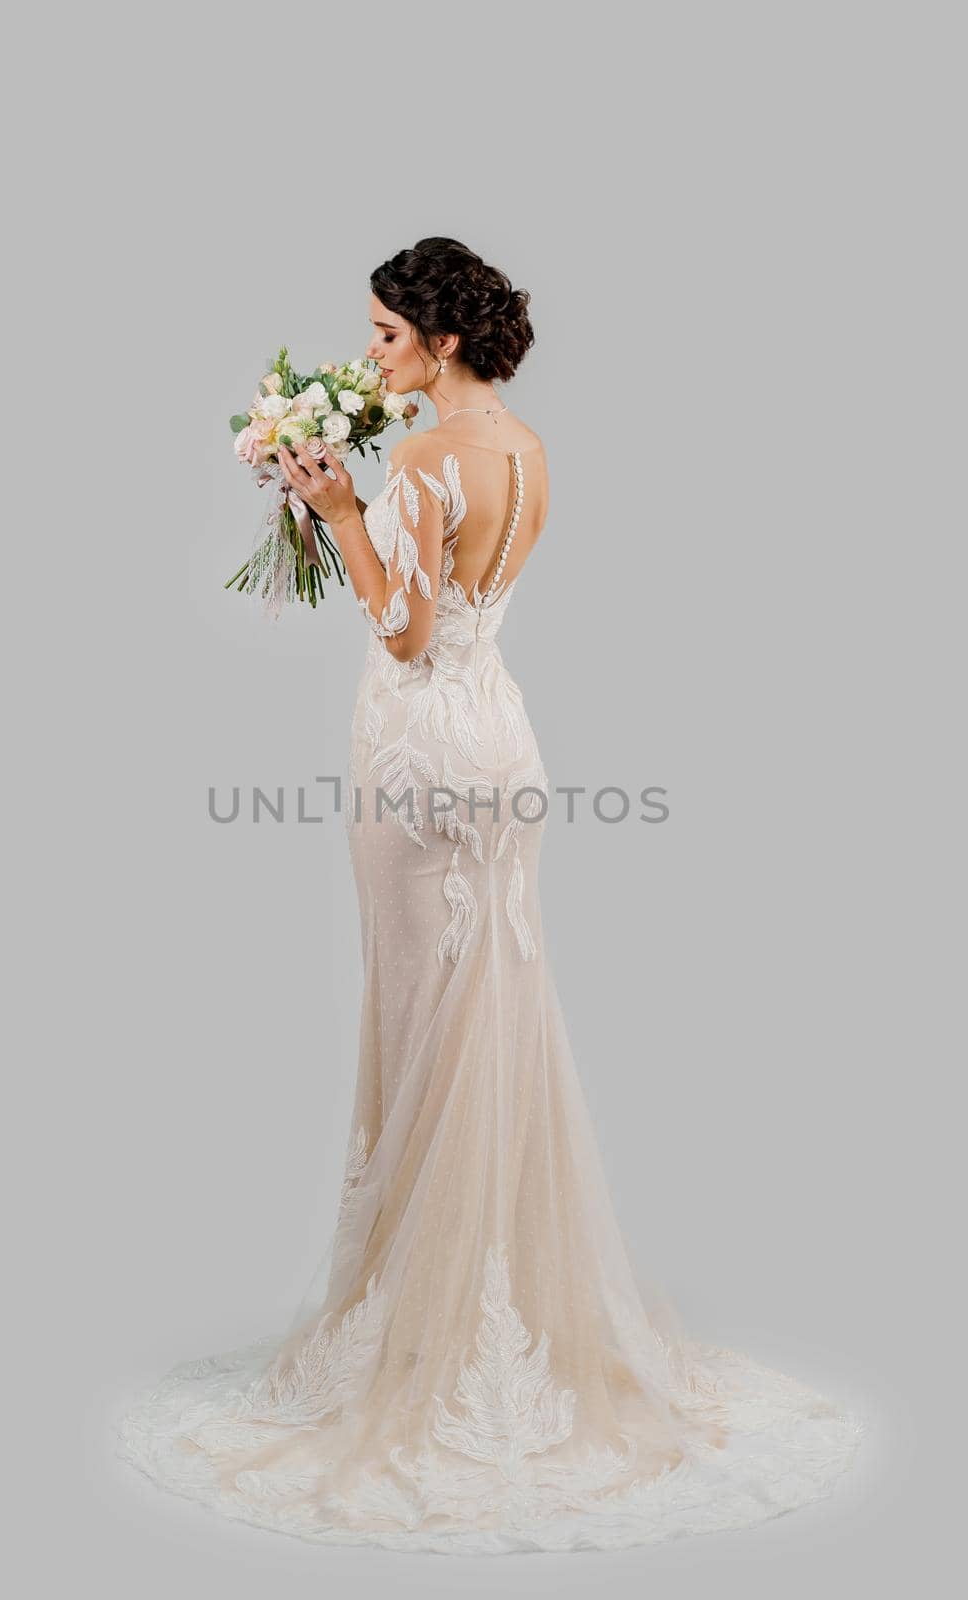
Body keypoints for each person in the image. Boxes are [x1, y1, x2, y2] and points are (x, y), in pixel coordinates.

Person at [114, 237, 865, 1554]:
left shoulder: (417, 460)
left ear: (441, 340)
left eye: (387, 336)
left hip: (416, 760)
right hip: (506, 744)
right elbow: (474, 609)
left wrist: (335, 509)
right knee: (497, 1009)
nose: (373, 355)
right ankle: (481, 1286)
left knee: (418, 1016)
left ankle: (427, 1317)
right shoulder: (528, 451)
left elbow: (404, 632)